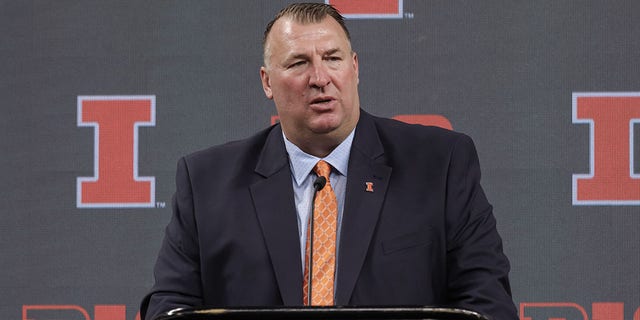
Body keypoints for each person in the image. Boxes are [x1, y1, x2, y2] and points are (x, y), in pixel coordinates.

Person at [141, 3, 518, 320]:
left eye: (332, 59)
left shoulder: (439, 165)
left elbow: (487, 306)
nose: (320, 78)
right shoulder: (207, 182)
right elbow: (169, 309)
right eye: (298, 63)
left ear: (354, 68)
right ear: (267, 82)